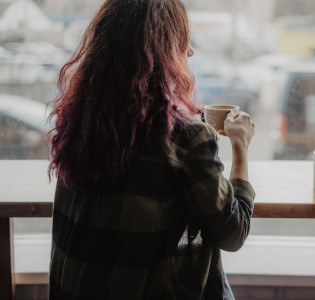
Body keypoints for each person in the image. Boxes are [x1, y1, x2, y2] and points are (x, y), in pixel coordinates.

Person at [47, 0, 255, 299]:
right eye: (183, 42)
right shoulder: (187, 139)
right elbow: (232, 234)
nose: (191, 52)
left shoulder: (80, 124)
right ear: (164, 53)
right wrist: (240, 146)